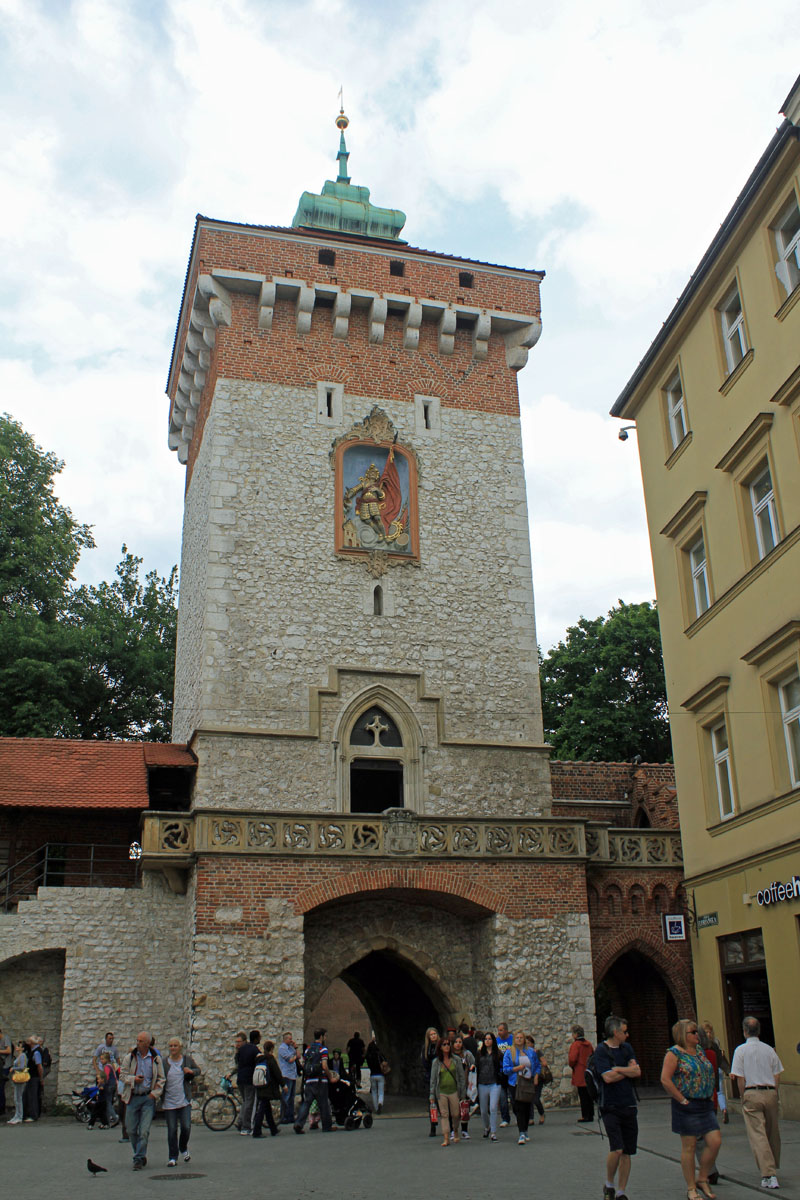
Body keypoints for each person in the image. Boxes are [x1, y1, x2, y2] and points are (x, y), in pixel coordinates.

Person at [660, 1018, 721, 1200]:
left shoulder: (700, 1051)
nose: (698, 1035)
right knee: (690, 1146)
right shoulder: (674, 1054)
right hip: (687, 1105)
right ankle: (691, 1187)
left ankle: (702, 1177)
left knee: (715, 1141)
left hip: (704, 1104)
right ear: (683, 1035)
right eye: (693, 1032)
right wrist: (682, 1099)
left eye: (697, 1032)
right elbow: (665, 1079)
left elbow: (707, 1072)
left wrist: (710, 1093)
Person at [730, 1016, 784, 1191]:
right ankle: (772, 1166)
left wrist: (742, 1094)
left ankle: (768, 1173)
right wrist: (774, 1091)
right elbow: (777, 1073)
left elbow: (740, 1077)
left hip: (752, 1091)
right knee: (772, 1132)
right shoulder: (769, 1050)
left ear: (745, 1031)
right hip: (769, 1092)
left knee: (758, 1134)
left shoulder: (740, 1051)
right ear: (758, 1031)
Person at [595, 1015, 641, 1200]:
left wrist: (619, 1070)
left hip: (628, 1104)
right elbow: (607, 1078)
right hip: (610, 1106)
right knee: (617, 1148)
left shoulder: (627, 1048)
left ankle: (621, 1191)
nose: (627, 1035)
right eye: (624, 1031)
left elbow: (637, 1071)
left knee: (628, 1151)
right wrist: (627, 1071)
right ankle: (609, 1183)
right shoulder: (601, 1051)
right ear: (615, 1032)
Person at [118, 1030, 165, 1170]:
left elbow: (162, 1078)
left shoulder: (156, 1059)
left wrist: (155, 1094)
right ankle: (140, 1153)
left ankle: (138, 1159)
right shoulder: (130, 1058)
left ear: (148, 1043)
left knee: (144, 1131)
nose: (138, 1043)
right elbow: (122, 1075)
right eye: (137, 1040)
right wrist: (133, 1080)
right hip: (133, 1097)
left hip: (147, 1098)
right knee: (131, 1130)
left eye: (141, 1041)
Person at [162, 1036, 200, 1166]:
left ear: (180, 1048)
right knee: (172, 1130)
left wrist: (191, 1071)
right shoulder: (164, 1062)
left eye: (175, 1046)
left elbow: (198, 1070)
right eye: (171, 1046)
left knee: (186, 1127)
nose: (173, 1048)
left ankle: (183, 1147)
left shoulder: (186, 1060)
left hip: (184, 1100)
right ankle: (173, 1157)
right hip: (169, 1101)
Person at [294, 1028, 332, 1133]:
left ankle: (298, 1123)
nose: (325, 1038)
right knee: (323, 1103)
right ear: (321, 1037)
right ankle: (327, 1126)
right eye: (325, 1036)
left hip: (309, 1080)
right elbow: (324, 1066)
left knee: (306, 1103)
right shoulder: (323, 1049)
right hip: (320, 1081)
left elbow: (303, 1064)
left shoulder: (308, 1049)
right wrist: (330, 1076)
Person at [503, 1030, 538, 1145]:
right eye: (517, 1038)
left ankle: (525, 1129)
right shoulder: (509, 1052)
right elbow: (505, 1069)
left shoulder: (531, 1052)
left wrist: (536, 1076)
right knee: (518, 1107)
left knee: (527, 1107)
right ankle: (521, 1132)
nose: (519, 1039)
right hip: (515, 1082)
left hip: (527, 1082)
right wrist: (516, 1069)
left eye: (521, 1038)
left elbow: (537, 1065)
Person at [429, 1036, 465, 1146]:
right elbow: (433, 1079)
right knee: (444, 1114)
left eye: (448, 1044)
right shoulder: (436, 1062)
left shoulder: (456, 1060)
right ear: (440, 1047)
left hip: (454, 1090)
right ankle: (446, 1137)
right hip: (441, 1091)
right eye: (444, 1044)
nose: (447, 1046)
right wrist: (431, 1095)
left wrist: (463, 1093)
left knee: (455, 1114)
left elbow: (461, 1077)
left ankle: (455, 1130)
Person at [252, 1040, 283, 1138]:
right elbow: (277, 1073)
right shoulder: (270, 1059)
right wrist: (283, 1084)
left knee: (266, 1108)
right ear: (271, 1049)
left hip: (259, 1085)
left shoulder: (259, 1059)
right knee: (262, 1109)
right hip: (268, 1087)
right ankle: (256, 1131)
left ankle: (273, 1129)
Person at [476, 1031, 503, 1140]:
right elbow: (476, 1065)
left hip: (494, 1083)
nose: (487, 1041)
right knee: (483, 1110)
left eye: (489, 1039)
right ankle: (486, 1126)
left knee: (492, 1108)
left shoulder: (498, 1053)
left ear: (493, 1040)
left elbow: (501, 1067)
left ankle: (493, 1131)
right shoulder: (479, 1053)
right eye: (485, 1039)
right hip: (482, 1083)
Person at [702, 1021, 729, 1125]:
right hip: (718, 1069)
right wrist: (727, 1070)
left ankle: (712, 1115)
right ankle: (724, 1109)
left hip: (709, 1071)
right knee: (719, 1092)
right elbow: (721, 1057)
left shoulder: (701, 1046)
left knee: (712, 1092)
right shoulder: (716, 1041)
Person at [234, 1030, 260, 1135]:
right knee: (249, 1102)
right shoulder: (254, 1050)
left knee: (245, 1101)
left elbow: (238, 1063)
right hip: (249, 1079)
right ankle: (246, 1126)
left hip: (240, 1078)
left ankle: (240, 1121)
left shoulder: (241, 1050)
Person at [569, 1023, 595, 1122]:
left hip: (580, 1072)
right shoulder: (588, 1044)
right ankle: (591, 1114)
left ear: (576, 1034)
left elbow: (572, 1059)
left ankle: (585, 1115)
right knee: (589, 1095)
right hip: (589, 1071)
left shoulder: (576, 1045)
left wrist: (572, 1066)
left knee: (583, 1095)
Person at [453, 1034, 476, 1138]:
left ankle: (464, 1130)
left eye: (459, 1042)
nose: (458, 1044)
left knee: (464, 1108)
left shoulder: (467, 1054)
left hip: (465, 1083)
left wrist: (472, 1067)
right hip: (453, 1084)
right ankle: (454, 1129)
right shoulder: (450, 1055)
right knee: (454, 1109)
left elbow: (474, 1064)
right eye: (456, 1042)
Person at [421, 1027, 440, 1138]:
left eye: (435, 1034)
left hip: (441, 1077)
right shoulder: (426, 1049)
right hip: (430, 1078)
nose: (433, 1036)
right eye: (431, 1034)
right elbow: (424, 1062)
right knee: (432, 1103)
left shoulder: (442, 1046)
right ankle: (433, 1125)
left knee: (443, 1102)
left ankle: (449, 1127)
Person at [278, 1031, 300, 1124]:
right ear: (285, 1039)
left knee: (291, 1097)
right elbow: (290, 1060)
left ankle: (290, 1116)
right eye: (290, 1039)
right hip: (286, 1074)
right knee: (286, 1096)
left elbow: (298, 1056)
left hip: (293, 1075)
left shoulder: (291, 1048)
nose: (291, 1040)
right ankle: (283, 1116)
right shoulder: (282, 1048)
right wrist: (294, 1056)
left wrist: (296, 1047)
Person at [93, 1050, 118, 1129]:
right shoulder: (110, 1066)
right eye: (100, 1059)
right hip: (112, 1085)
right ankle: (106, 1122)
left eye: (102, 1059)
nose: (101, 1061)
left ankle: (115, 1117)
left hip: (109, 1086)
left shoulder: (107, 1067)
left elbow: (106, 1077)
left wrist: (101, 1085)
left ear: (107, 1059)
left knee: (107, 1102)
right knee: (107, 1103)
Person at [526, 1034, 547, 1125]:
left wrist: (536, 1064)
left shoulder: (537, 1052)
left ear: (532, 1044)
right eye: (525, 1043)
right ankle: (531, 1118)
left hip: (538, 1077)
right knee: (529, 1098)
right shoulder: (524, 1053)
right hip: (528, 1077)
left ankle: (541, 1113)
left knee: (536, 1098)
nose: (527, 1045)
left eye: (529, 1043)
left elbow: (544, 1063)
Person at [23, 1035, 43, 1122]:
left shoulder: (36, 1052)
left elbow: (39, 1066)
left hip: (34, 1076)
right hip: (31, 1076)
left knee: (33, 1096)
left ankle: (33, 1115)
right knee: (28, 1095)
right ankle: (28, 1113)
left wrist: (41, 1078)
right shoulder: (33, 1051)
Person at [366, 1035, 387, 1114]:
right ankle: (380, 1102)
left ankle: (376, 1108)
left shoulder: (368, 1056)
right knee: (381, 1092)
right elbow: (385, 1061)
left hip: (372, 1075)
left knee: (374, 1092)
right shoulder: (379, 1054)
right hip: (380, 1075)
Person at [496, 1022, 512, 1126]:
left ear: (506, 1030)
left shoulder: (512, 1040)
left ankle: (519, 1116)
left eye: (501, 1030)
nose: (499, 1032)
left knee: (514, 1097)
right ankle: (505, 1118)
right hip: (500, 1072)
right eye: (498, 1030)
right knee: (502, 1098)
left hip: (511, 1072)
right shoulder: (496, 1041)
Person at [7, 1041, 27, 1125]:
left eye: (19, 1046)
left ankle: (19, 1116)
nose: (17, 1047)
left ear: (22, 1048)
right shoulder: (19, 1056)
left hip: (20, 1078)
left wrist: (14, 1068)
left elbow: (23, 1067)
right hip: (16, 1078)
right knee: (16, 1098)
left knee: (18, 1098)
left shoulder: (22, 1056)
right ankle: (16, 1115)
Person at [0, 1026, 11, 1116]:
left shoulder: (5, 1038)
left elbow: (8, 1050)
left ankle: (2, 1108)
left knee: (1, 1086)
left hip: (5, 1066)